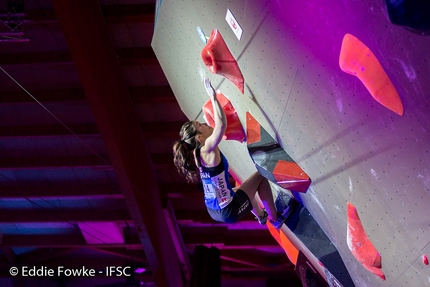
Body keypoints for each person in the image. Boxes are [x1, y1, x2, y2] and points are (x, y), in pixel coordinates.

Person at [173, 78, 296, 228]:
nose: (205, 123)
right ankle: (275, 218)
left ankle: (261, 216)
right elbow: (221, 126)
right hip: (227, 209)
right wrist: (213, 97)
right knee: (261, 175)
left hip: (214, 208)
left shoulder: (197, 155)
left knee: (242, 189)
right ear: (199, 137)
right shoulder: (206, 149)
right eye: (200, 125)